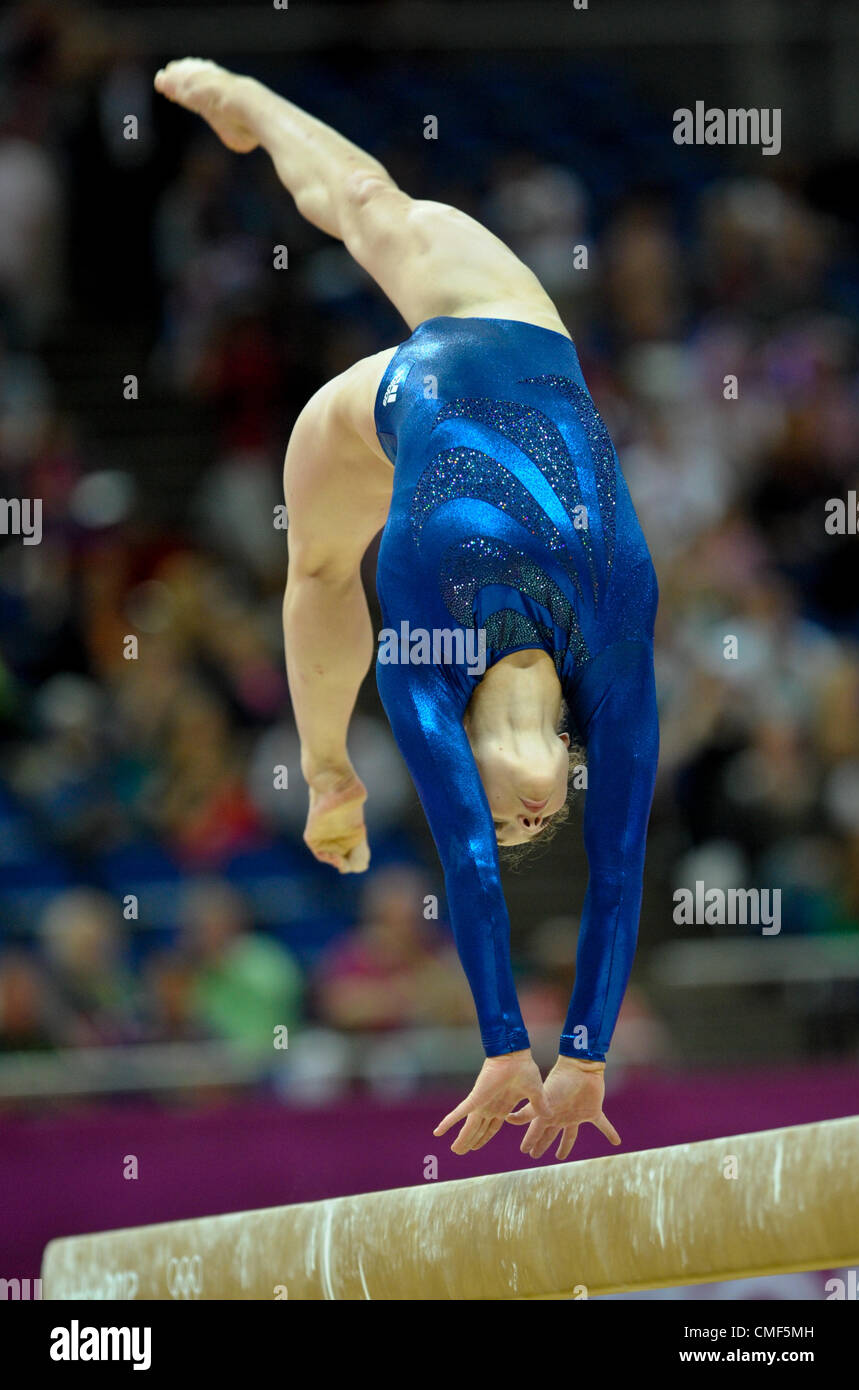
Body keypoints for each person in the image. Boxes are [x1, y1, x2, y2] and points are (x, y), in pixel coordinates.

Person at [154, 59, 659, 1161]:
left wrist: (501, 1040)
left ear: (474, 760)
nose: (524, 829)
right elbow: (618, 865)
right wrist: (578, 1049)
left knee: (322, 567)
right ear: (570, 756)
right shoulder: (616, 628)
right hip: (512, 329)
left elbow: (466, 860)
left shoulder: (425, 658)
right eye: (542, 822)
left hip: (393, 404)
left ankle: (326, 768)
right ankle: (255, 106)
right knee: (374, 205)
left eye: (507, 820)